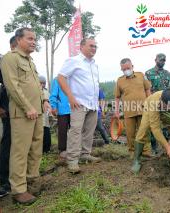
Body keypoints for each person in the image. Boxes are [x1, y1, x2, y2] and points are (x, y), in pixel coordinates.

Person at [0, 28, 51, 204]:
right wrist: (27, 107)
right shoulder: (10, 58)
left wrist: (44, 99)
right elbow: (12, 86)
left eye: (35, 39)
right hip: (22, 113)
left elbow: (37, 84)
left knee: (36, 148)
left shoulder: (30, 61)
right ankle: (18, 189)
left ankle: (32, 180)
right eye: (30, 38)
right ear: (19, 39)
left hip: (37, 111)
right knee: (20, 151)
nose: (33, 41)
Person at [58, 37, 101, 174]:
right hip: (79, 103)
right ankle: (72, 160)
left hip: (92, 104)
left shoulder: (94, 64)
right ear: (82, 46)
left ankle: (85, 154)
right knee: (76, 130)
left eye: (95, 46)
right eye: (91, 46)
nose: (94, 48)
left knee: (89, 130)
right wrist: (70, 96)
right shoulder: (74, 61)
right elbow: (60, 77)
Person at [131, 88, 170, 173]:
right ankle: (136, 160)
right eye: (165, 106)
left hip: (169, 114)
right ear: (161, 100)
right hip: (150, 108)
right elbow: (155, 128)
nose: (168, 108)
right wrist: (167, 146)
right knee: (143, 129)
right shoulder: (154, 102)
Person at [114, 58, 151, 157]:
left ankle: (146, 152)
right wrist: (116, 111)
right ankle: (132, 152)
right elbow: (117, 97)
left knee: (144, 131)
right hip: (128, 111)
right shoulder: (120, 80)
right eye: (123, 69)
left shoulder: (141, 75)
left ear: (132, 66)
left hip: (143, 109)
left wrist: (150, 104)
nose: (126, 70)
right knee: (130, 133)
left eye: (128, 68)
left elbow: (147, 90)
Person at [0, 36, 17, 198]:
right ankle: (4, 180)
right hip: (6, 109)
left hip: (17, 109)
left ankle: (15, 177)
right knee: (7, 142)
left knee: (14, 144)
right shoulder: (4, 60)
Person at [145, 53, 170, 155]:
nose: (162, 62)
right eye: (160, 60)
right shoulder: (148, 73)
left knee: (166, 125)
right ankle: (154, 148)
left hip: (166, 104)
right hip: (154, 104)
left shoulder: (168, 74)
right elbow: (146, 89)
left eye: (164, 60)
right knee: (154, 126)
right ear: (155, 59)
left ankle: (167, 147)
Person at [49, 77, 71, 162]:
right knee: (62, 130)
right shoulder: (57, 79)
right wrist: (53, 106)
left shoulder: (74, 78)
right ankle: (62, 150)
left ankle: (74, 148)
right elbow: (53, 94)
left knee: (76, 130)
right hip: (62, 109)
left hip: (74, 108)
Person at [39, 76, 51, 153]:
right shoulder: (34, 91)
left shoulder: (47, 92)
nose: (42, 85)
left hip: (46, 118)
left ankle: (46, 150)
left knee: (46, 135)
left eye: (44, 83)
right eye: (41, 83)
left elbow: (50, 103)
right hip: (38, 116)